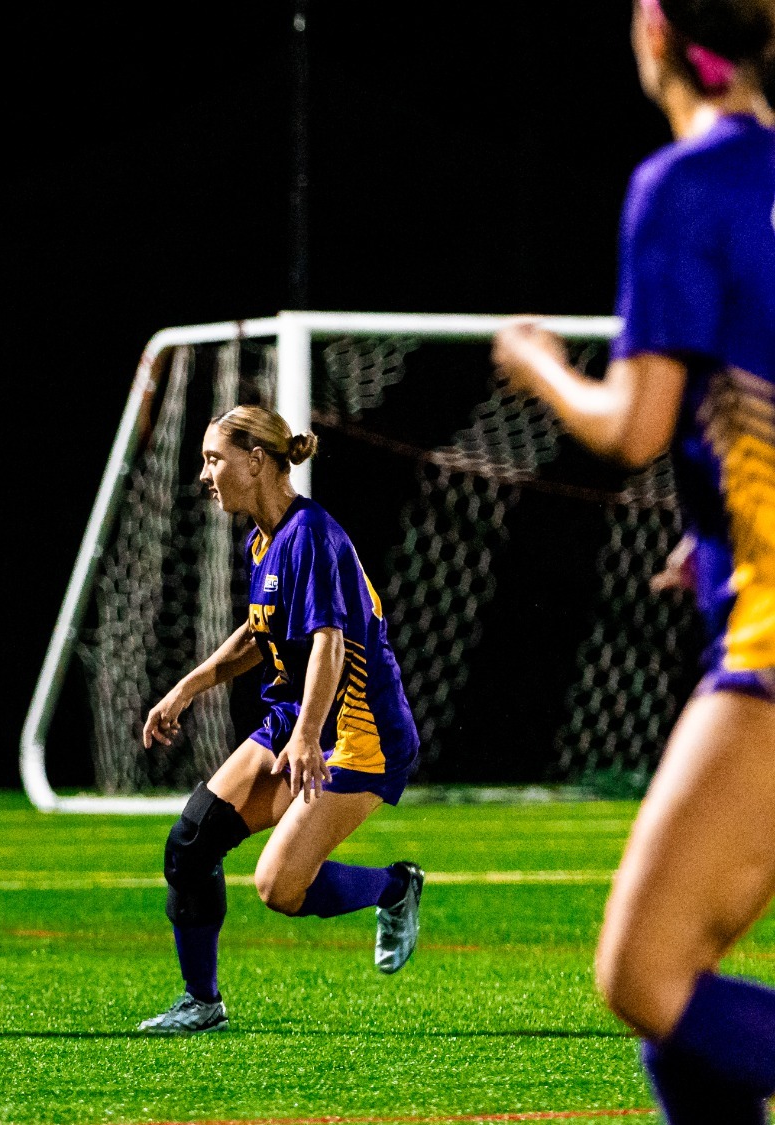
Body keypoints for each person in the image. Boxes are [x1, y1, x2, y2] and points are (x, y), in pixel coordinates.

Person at [491, 0, 775, 1114]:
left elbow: (635, 426)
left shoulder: (683, 185)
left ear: (654, 34)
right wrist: (705, 537)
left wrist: (536, 366)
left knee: (644, 977)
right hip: (746, 586)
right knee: (688, 1008)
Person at [135, 405, 424, 1034]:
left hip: (358, 735)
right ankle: (201, 1004)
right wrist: (188, 687)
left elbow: (329, 642)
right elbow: (258, 632)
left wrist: (303, 739)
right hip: (298, 719)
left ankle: (392, 888)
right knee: (190, 845)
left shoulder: (312, 536)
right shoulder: (263, 538)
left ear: (256, 459)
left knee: (278, 888)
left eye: (214, 459)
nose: (205, 474)